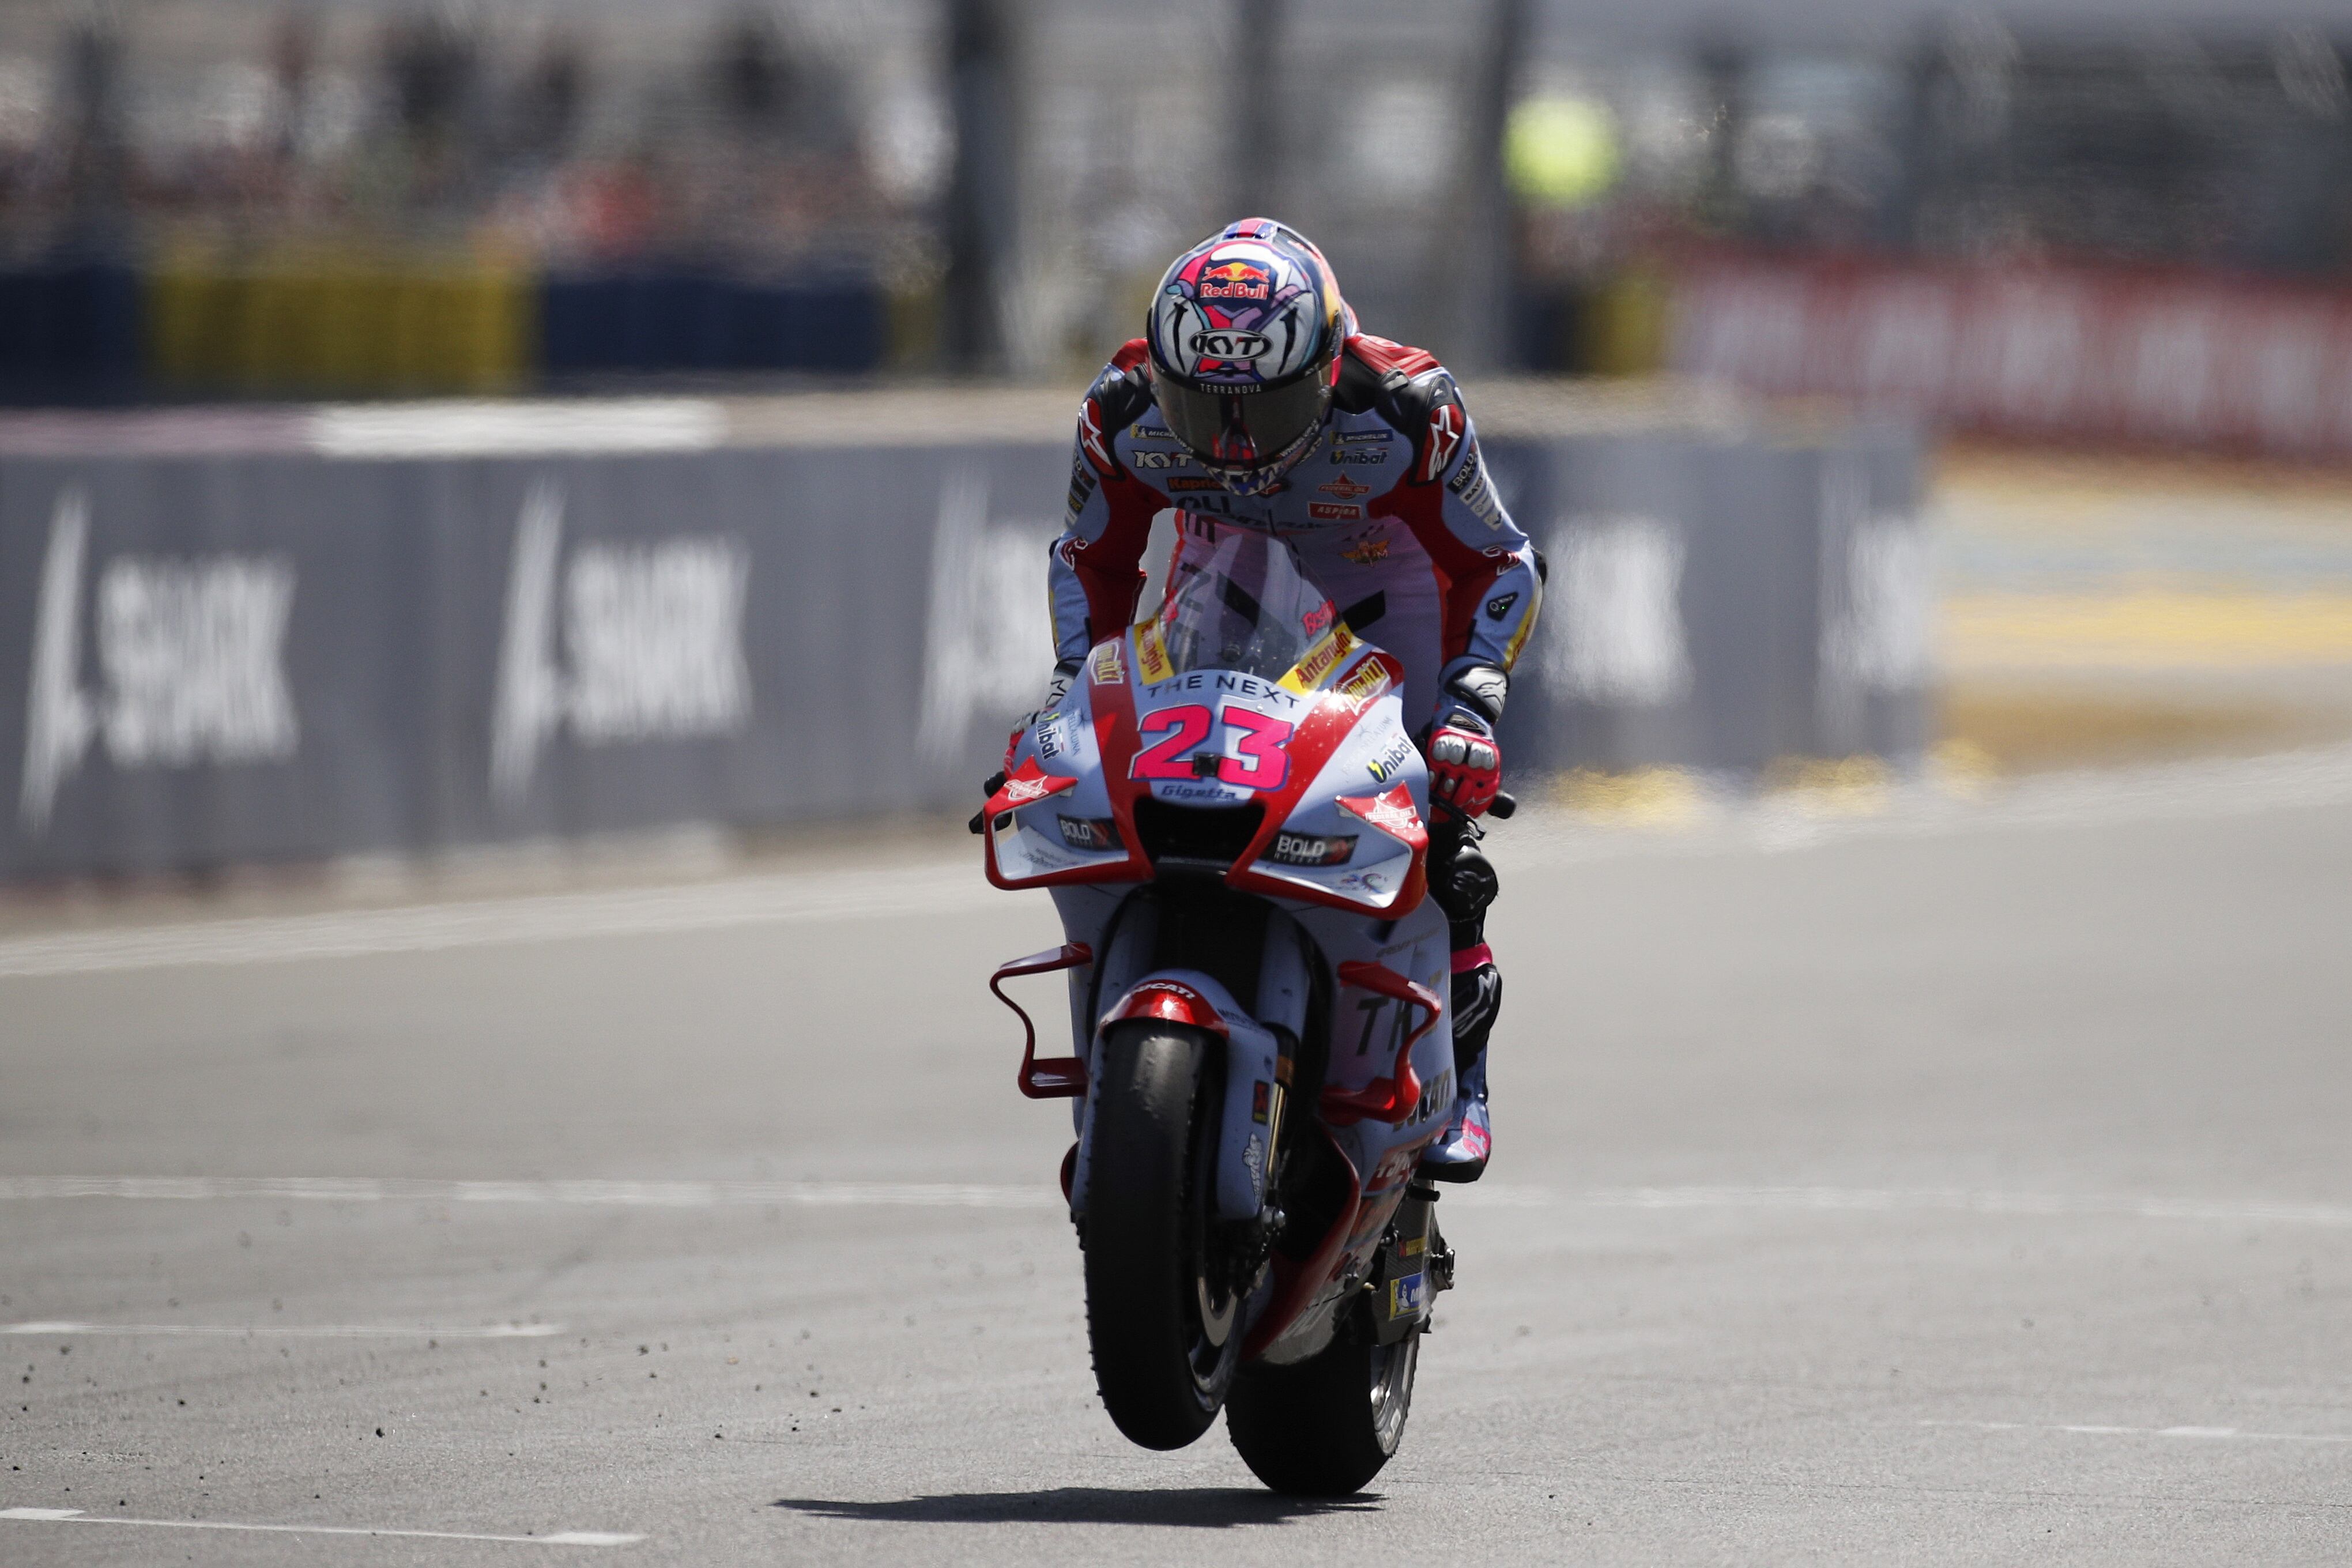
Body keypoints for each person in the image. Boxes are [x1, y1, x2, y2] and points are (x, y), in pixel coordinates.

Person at [1028, 217, 1543, 1182]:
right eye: (1201, 406)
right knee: (1145, 794)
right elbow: (1090, 557)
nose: (1231, 442)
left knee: (1435, 826)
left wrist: (1470, 709)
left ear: (1324, 369)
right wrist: (1070, 688)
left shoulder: (1408, 407)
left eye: (1262, 409)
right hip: (1218, 599)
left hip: (1379, 613)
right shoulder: (1120, 408)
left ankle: (1461, 1075)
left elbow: (1501, 561)